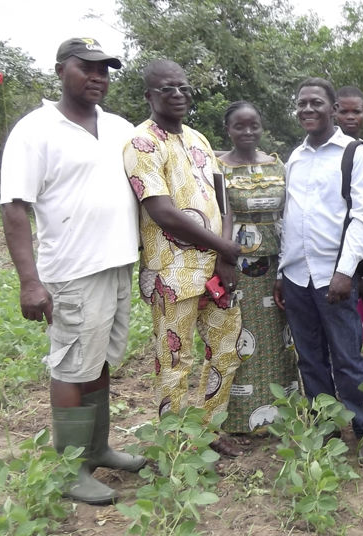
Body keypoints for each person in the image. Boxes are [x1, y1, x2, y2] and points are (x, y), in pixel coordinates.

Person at [0, 37, 145, 505]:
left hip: (117, 263)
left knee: (97, 361)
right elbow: (15, 208)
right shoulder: (36, 129)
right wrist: (29, 281)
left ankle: (97, 447)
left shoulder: (119, 126)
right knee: (70, 366)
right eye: (88, 68)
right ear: (62, 69)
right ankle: (69, 468)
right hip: (73, 270)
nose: (98, 77)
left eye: (105, 70)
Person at [123, 59, 243, 457]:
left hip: (214, 269)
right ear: (149, 96)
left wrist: (226, 254)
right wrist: (224, 247)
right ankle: (173, 444)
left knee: (226, 349)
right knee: (175, 360)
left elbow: (222, 198)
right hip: (171, 274)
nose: (178, 95)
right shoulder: (141, 143)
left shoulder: (199, 139)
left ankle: (210, 430)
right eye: (167, 89)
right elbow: (163, 212)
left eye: (184, 88)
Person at [273, 78, 363, 465]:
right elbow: (288, 217)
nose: (307, 109)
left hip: (334, 276)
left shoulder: (355, 153)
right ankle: (323, 426)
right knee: (309, 357)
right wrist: (280, 271)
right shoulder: (296, 157)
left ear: (333, 109)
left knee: (348, 356)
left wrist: (344, 270)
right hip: (296, 275)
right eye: (301, 103)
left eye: (316, 102)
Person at [217, 101, 299, 434]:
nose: (248, 132)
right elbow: (218, 215)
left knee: (281, 338)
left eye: (254, 126)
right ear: (229, 130)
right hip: (236, 266)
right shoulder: (216, 167)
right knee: (241, 337)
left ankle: (284, 413)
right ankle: (240, 420)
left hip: (279, 263)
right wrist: (223, 260)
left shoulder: (279, 165)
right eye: (240, 126)